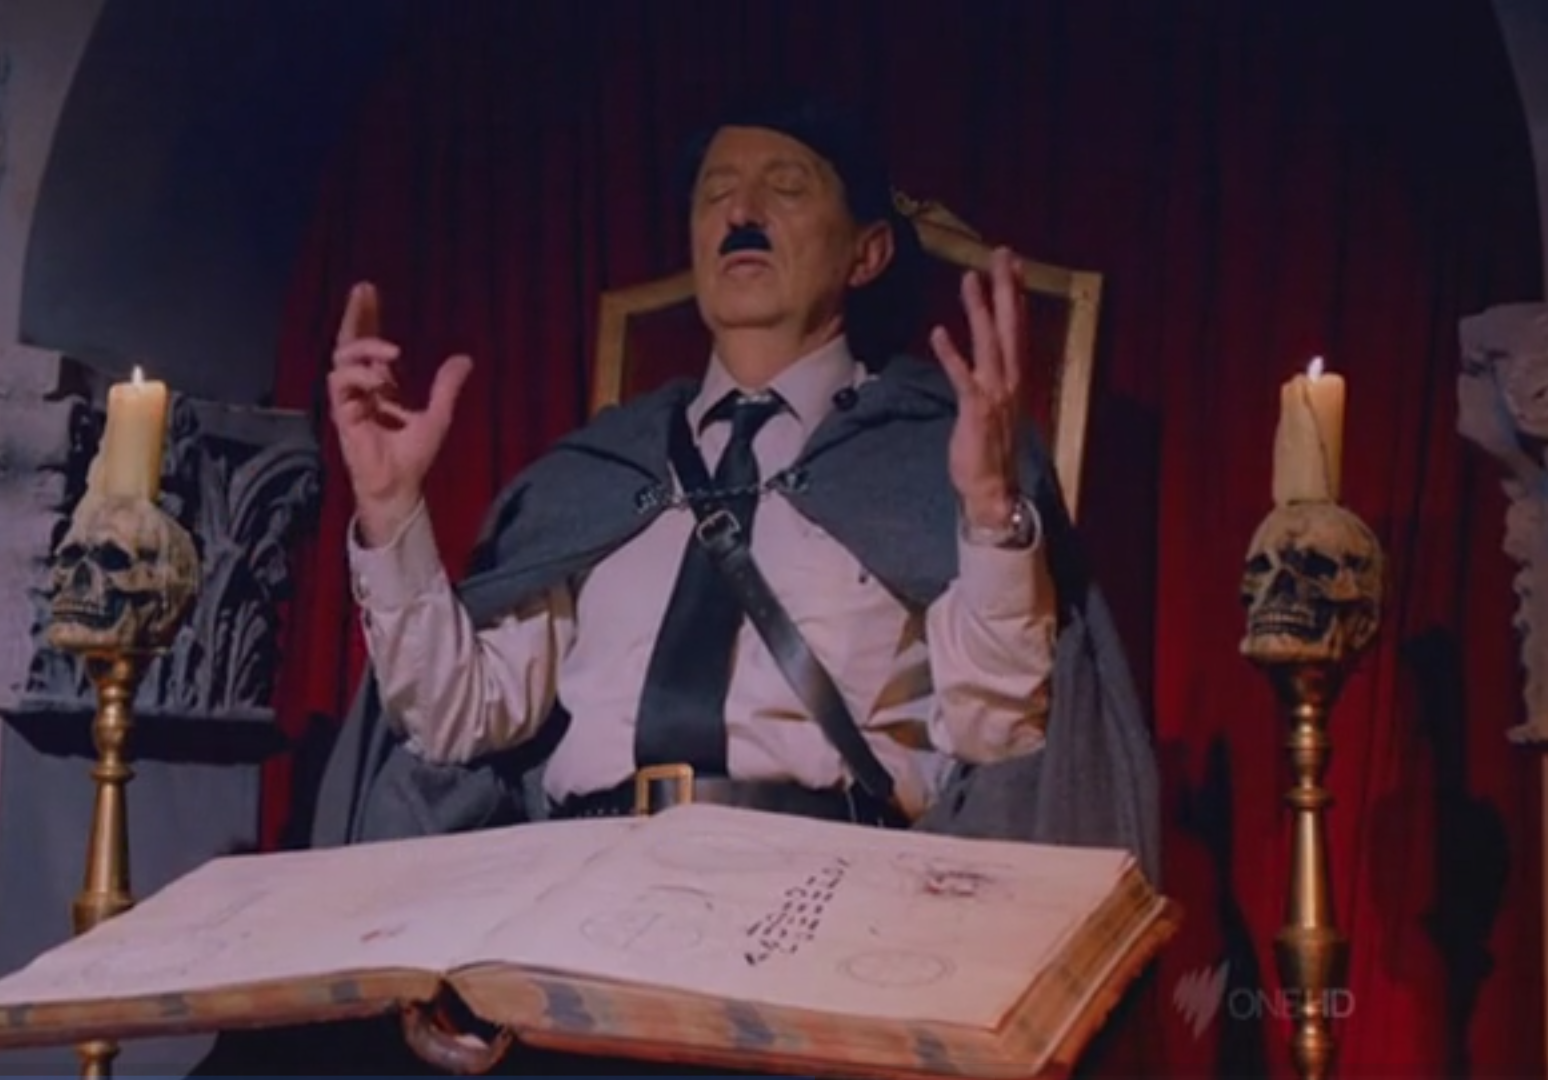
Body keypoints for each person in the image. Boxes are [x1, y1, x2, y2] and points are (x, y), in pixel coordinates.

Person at [301, 91, 1158, 866]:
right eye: (715, 195)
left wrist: (988, 510)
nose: (740, 213)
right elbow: (455, 721)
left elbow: (997, 733)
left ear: (866, 254)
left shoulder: (932, 457)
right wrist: (390, 510)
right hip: (579, 882)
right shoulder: (596, 472)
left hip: (828, 894)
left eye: (785, 188)